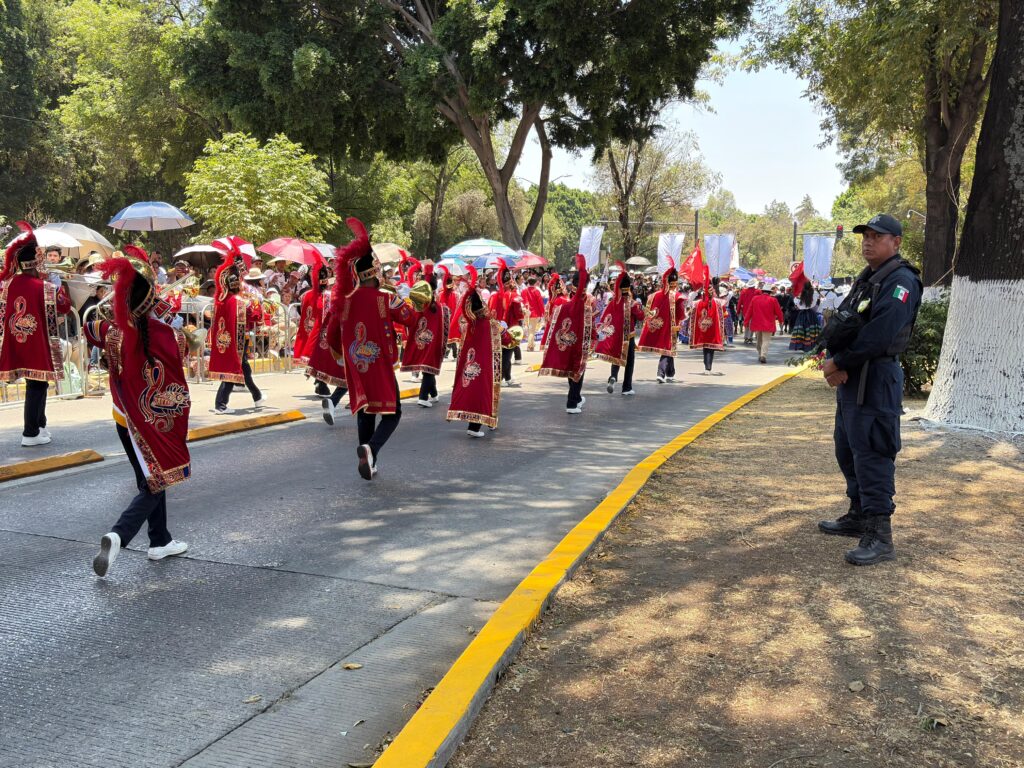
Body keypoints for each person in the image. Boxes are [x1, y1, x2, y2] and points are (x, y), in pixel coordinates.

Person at [818, 214, 922, 566]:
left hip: (876, 378)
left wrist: (839, 362)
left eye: (877, 236)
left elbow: (880, 334)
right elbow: (844, 321)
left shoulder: (901, 281)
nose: (868, 241)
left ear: (896, 242)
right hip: (853, 377)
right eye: (866, 235)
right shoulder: (869, 278)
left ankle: (880, 535)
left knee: (873, 452)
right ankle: (859, 514)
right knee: (847, 447)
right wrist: (833, 357)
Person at [84, 254, 191, 577]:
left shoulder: (112, 333)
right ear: (150, 301)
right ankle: (119, 535)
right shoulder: (171, 335)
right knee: (155, 483)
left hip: (125, 421)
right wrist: (161, 312)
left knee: (152, 478)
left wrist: (112, 307)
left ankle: (160, 540)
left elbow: (89, 327)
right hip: (154, 420)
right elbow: (185, 349)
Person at [326, 218, 414, 480]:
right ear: (375, 273)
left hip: (356, 364)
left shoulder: (344, 302)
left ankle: (370, 460)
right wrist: (402, 297)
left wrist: (341, 355)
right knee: (393, 412)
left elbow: (331, 335)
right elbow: (410, 318)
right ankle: (372, 449)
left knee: (365, 410)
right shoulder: (386, 298)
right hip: (380, 363)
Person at [0, 221, 72, 446]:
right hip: (36, 343)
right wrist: (55, 284)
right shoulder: (44, 287)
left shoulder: (8, 285)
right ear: (36, 261)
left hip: (15, 342)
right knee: (37, 385)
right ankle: (30, 432)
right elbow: (65, 306)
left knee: (38, 385)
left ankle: (40, 426)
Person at [447, 287, 513, 436]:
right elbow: (507, 339)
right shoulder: (492, 325)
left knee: (474, 392)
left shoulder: (467, 326)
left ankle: (488, 422)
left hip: (469, 366)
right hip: (487, 366)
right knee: (486, 393)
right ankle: (475, 427)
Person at [208, 249, 267, 414]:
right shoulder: (239, 301)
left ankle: (257, 396)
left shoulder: (222, 300)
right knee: (233, 368)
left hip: (227, 340)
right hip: (237, 341)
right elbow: (255, 316)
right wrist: (256, 302)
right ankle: (221, 404)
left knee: (243, 367)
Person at [539, 255, 595, 414]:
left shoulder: (562, 305)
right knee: (578, 370)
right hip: (578, 344)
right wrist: (595, 338)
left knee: (572, 370)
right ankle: (572, 402)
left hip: (566, 342)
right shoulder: (586, 307)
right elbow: (589, 328)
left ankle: (576, 398)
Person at [401, 263, 451, 408]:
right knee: (429, 367)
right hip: (432, 342)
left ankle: (433, 394)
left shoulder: (417, 306)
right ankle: (423, 397)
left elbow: (409, 322)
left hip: (419, 340)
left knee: (428, 368)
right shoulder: (439, 308)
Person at [595, 263, 643, 396]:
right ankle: (627, 387)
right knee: (629, 362)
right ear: (629, 287)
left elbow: (605, 317)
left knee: (616, 358)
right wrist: (640, 308)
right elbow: (641, 316)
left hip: (616, 336)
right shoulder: (632, 303)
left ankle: (613, 376)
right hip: (629, 337)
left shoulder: (613, 303)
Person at [638, 264, 685, 383]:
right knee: (667, 348)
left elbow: (649, 312)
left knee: (670, 348)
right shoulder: (678, 296)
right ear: (676, 283)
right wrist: (682, 321)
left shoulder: (654, 295)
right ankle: (661, 373)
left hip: (659, 325)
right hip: (672, 327)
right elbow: (681, 313)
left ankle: (670, 373)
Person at [489, 261, 525, 387]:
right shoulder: (513, 296)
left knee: (498, 354)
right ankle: (501, 378)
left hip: (496, 329)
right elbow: (519, 314)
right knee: (507, 354)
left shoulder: (493, 296)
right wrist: (524, 312)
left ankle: (507, 377)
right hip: (510, 329)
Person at [689, 273, 727, 375]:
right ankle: (708, 366)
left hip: (708, 329)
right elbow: (725, 314)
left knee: (707, 348)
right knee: (709, 348)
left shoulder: (698, 303)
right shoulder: (718, 302)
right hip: (709, 329)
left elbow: (724, 314)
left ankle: (707, 366)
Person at [747, 283, 785, 364]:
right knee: (766, 340)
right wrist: (781, 320)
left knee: (758, 340)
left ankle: (760, 354)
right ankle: (763, 355)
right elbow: (779, 312)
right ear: (770, 292)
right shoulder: (773, 300)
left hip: (757, 323)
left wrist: (746, 321)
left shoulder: (755, 299)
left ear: (762, 291)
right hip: (768, 323)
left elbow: (749, 311)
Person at [789, 279, 823, 351]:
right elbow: (815, 303)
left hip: (802, 314)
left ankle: (802, 345)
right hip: (811, 314)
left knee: (802, 330)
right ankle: (811, 346)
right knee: (811, 330)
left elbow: (797, 305)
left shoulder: (800, 294)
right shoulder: (814, 293)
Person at [521, 275, 545, 351]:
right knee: (532, 331)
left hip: (526, 312)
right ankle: (530, 346)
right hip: (534, 313)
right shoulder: (536, 291)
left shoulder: (524, 291)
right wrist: (542, 312)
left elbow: (522, 301)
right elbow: (540, 303)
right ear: (535, 283)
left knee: (530, 330)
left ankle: (531, 344)